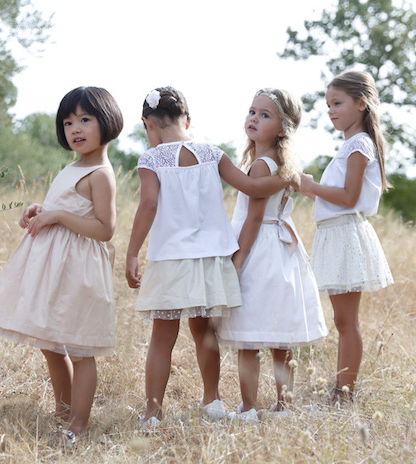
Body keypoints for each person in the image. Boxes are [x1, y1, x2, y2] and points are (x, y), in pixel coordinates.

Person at [125, 86, 298, 429]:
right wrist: (286, 178)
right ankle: (212, 399)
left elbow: (148, 205)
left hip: (172, 258)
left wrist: (132, 252)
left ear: (148, 125)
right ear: (188, 120)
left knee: (163, 336)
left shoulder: (151, 159)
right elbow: (249, 188)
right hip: (212, 258)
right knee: (204, 332)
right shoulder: (211, 153)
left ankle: (152, 413)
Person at [0, 86, 123, 447]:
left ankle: (78, 424)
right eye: (68, 122)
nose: (75, 128)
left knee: (80, 346)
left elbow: (105, 229)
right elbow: (66, 205)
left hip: (80, 270)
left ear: (106, 122)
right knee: (50, 342)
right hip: (55, 267)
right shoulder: (74, 166)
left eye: (85, 119)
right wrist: (40, 209)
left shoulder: (100, 174)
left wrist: (58, 215)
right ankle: (63, 412)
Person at [217, 88, 328, 422]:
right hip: (283, 251)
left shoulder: (260, 168)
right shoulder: (283, 165)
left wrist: (238, 261)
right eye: (252, 111)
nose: (253, 118)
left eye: (265, 115)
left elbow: (253, 218)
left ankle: (249, 408)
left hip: (260, 250)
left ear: (282, 128)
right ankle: (284, 405)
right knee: (281, 337)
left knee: (248, 336)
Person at [299, 70, 393, 405]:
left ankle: (344, 391)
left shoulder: (359, 144)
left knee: (346, 321)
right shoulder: (350, 145)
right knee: (342, 319)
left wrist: (311, 186)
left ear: (361, 103)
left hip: (345, 236)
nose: (331, 111)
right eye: (328, 105)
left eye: (337, 103)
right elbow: (336, 198)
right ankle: (341, 388)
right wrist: (310, 191)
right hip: (335, 234)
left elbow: (349, 197)